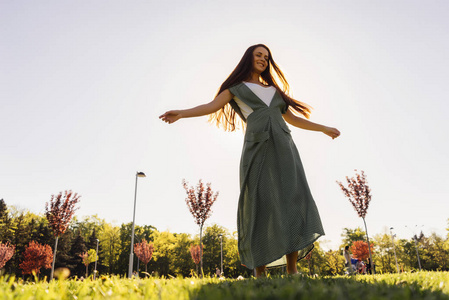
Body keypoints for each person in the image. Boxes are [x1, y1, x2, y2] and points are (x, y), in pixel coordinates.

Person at [160, 44, 340, 277]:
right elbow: (211, 106)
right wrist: (182, 113)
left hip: (285, 149)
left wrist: (323, 128)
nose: (263, 60)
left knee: (292, 200)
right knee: (260, 204)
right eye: (259, 55)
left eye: (267, 57)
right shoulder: (236, 88)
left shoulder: (273, 90)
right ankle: (259, 272)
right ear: (249, 58)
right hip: (257, 150)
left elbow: (293, 119)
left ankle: (292, 270)